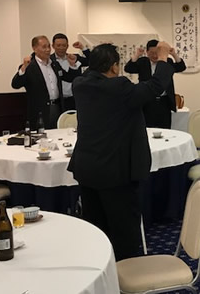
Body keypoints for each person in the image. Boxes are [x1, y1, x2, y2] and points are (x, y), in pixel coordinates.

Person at [68, 42, 174, 261]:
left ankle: (100, 266)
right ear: (114, 67)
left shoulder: (80, 85)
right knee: (123, 228)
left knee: (95, 224)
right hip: (115, 170)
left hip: (87, 167)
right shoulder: (119, 88)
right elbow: (155, 87)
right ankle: (125, 270)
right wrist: (163, 58)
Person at [11, 35, 81, 129]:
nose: (48, 50)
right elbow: (15, 84)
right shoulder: (29, 66)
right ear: (34, 48)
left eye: (48, 46)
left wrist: (72, 65)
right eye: (44, 47)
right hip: (40, 111)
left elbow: (69, 77)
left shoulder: (54, 64)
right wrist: (23, 68)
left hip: (57, 107)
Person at [125, 39, 186, 128]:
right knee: (147, 128)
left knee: (165, 128)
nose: (154, 56)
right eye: (151, 53)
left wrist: (174, 54)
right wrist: (137, 55)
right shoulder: (143, 62)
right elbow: (128, 68)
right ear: (147, 52)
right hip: (147, 101)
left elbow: (181, 67)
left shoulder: (166, 61)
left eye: (157, 53)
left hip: (164, 101)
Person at [51, 33, 91, 111]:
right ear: (53, 46)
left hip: (76, 98)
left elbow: (92, 61)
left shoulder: (74, 57)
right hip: (59, 101)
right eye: (58, 45)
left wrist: (83, 48)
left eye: (64, 45)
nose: (61, 48)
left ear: (67, 46)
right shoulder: (50, 61)